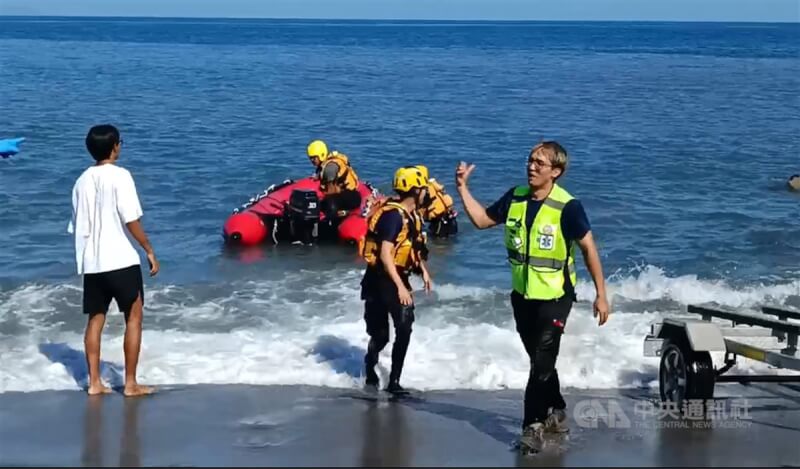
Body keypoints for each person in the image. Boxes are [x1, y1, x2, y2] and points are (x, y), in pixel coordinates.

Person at [454, 141, 609, 453]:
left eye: (540, 163)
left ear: (556, 171)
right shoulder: (516, 197)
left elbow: (588, 248)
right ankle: (557, 407)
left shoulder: (569, 206)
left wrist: (601, 295)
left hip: (556, 297)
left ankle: (532, 427)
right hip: (522, 296)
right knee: (539, 360)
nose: (531, 166)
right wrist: (462, 189)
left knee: (541, 361)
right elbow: (483, 221)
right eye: (530, 160)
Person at [68, 124, 159, 397]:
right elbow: (130, 218)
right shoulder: (121, 176)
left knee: (95, 320)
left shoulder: (81, 181)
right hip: (120, 259)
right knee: (134, 316)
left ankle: (94, 383)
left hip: (92, 264)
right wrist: (148, 249)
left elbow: (76, 226)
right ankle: (130, 383)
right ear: (115, 146)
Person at [359, 166, 433, 394]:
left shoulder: (412, 215)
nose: (425, 192)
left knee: (405, 327)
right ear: (414, 190)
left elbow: (412, 247)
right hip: (380, 279)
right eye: (422, 188)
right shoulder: (393, 216)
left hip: (397, 277)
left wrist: (423, 270)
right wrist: (400, 287)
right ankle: (370, 365)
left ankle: (394, 382)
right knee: (380, 336)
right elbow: (385, 254)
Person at [414, 165, 458, 238]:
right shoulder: (432, 186)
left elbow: (422, 205)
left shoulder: (426, 191)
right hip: (445, 217)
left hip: (440, 221)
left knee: (440, 242)